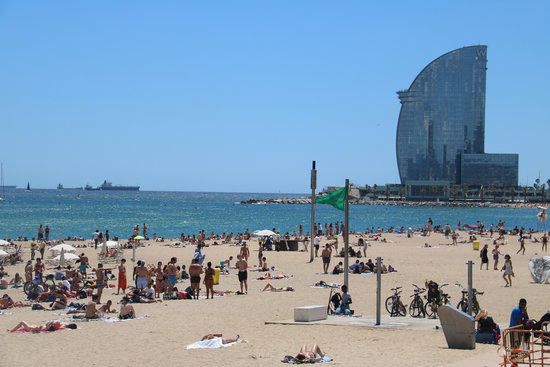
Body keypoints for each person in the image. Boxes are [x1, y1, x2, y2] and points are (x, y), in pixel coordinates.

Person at [9, 321, 77, 333]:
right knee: (22, 327)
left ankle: (11, 331)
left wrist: (51, 323)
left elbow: (47, 328)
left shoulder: (46, 328)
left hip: (31, 328)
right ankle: (12, 330)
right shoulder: (64, 325)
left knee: (22, 322)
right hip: (32, 327)